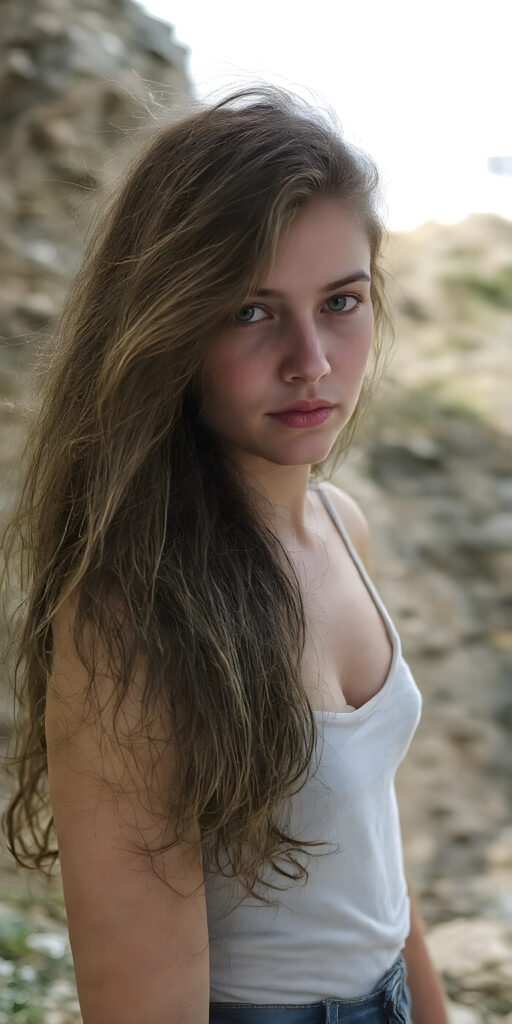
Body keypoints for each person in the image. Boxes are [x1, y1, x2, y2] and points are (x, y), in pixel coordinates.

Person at [1, 84, 449, 1023]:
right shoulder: (133, 617)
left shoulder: (341, 526)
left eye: (341, 302)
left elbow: (369, 854)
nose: (312, 361)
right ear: (167, 326)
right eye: (251, 311)